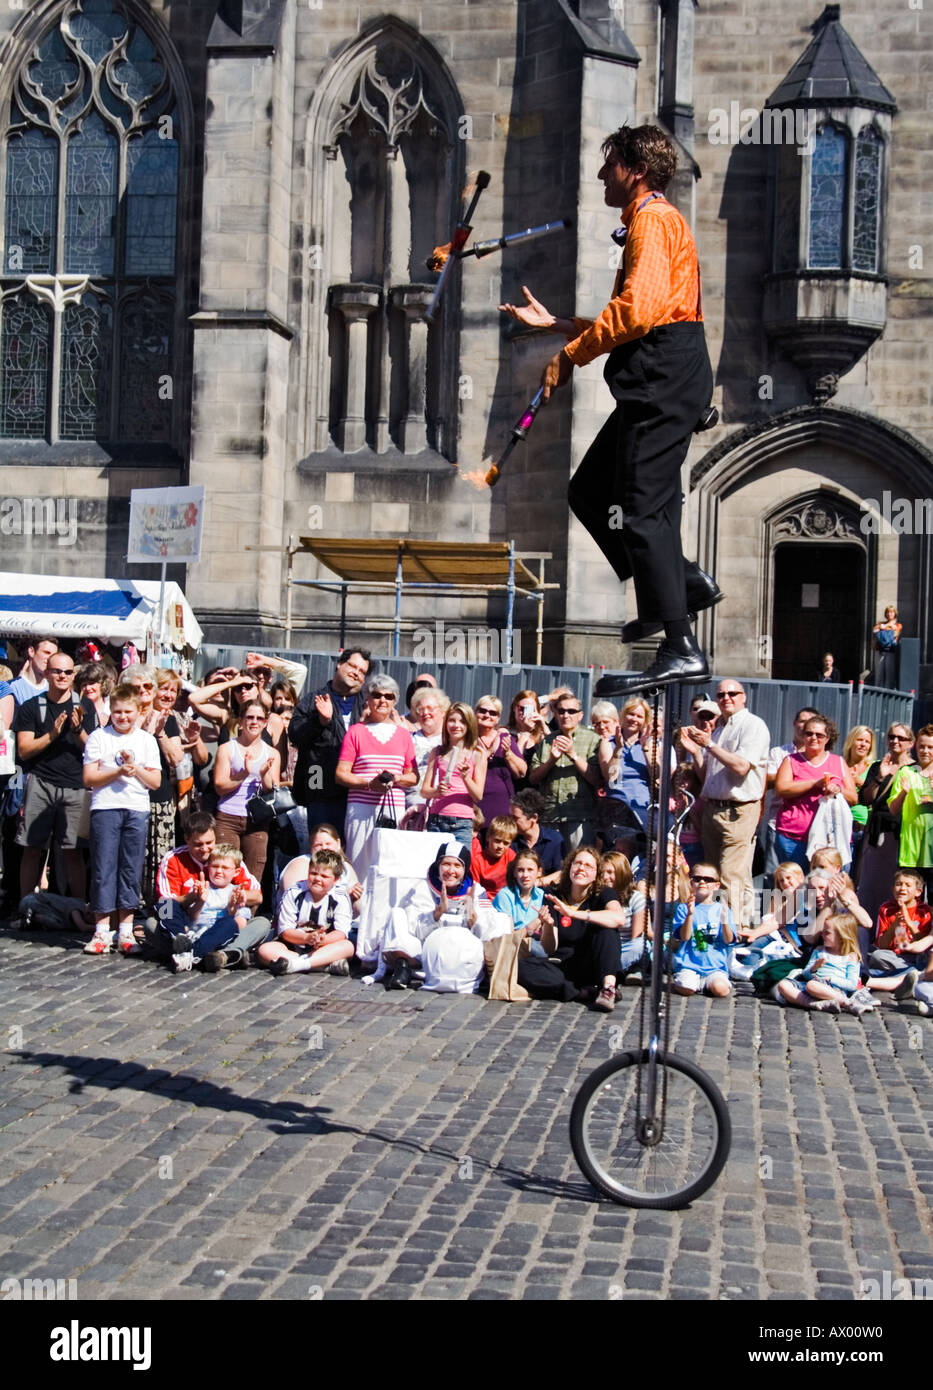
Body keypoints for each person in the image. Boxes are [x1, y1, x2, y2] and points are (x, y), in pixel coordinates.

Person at [501, 125, 719, 694]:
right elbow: (635, 315)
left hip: (664, 376)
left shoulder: (652, 219)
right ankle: (679, 583)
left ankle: (679, 644)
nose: (603, 174)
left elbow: (640, 314)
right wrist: (557, 325)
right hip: (661, 372)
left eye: (610, 164)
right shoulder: (654, 221)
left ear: (635, 169)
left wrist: (568, 356)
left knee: (644, 512)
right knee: (591, 491)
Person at [81, 685, 161, 956]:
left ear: (139, 712)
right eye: (117, 712)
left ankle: (126, 930)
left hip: (136, 809)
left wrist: (134, 768)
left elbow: (155, 781)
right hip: (106, 808)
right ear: (109, 711)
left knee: (130, 868)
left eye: (128, 712)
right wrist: (116, 772)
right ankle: (102, 930)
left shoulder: (147, 740)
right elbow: (89, 778)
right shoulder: (98, 737)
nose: (122, 717)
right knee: (104, 869)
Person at [684, 681, 770, 929]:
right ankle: (734, 927)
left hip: (739, 809)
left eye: (733, 693)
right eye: (721, 694)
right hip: (714, 807)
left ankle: (734, 931)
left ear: (744, 697)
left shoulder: (753, 725)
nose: (726, 698)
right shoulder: (720, 729)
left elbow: (742, 767)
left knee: (731, 873)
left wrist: (709, 744)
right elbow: (708, 777)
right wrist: (696, 752)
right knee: (714, 873)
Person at [13, 652, 94, 902]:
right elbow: (24, 750)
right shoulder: (31, 707)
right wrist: (52, 734)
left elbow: (94, 749)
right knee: (32, 849)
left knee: (73, 852)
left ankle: (78, 908)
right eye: (57, 671)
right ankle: (26, 907)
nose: (62, 676)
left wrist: (78, 729)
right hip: (41, 782)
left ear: (73, 676)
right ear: (47, 673)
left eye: (68, 672)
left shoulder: (85, 705)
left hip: (75, 785)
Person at [375, 841, 507, 992]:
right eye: (446, 864)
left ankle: (495, 975)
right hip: (428, 957)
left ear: (465, 870)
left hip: (464, 959)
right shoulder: (423, 888)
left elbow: (486, 934)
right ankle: (403, 968)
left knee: (501, 919)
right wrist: (436, 914)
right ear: (438, 865)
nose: (451, 871)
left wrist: (472, 916)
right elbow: (414, 930)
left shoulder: (476, 891)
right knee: (397, 914)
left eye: (457, 866)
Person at [516, 845, 625, 1011]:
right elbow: (549, 948)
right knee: (521, 967)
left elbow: (618, 919)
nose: (581, 868)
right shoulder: (554, 895)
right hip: (564, 965)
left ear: (596, 874)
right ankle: (581, 993)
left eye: (588, 866)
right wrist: (549, 925)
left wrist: (574, 914)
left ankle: (608, 989)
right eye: (577, 863)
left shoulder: (604, 893)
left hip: (594, 963)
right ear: (569, 867)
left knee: (607, 929)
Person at [335, 676, 418, 876]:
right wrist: (369, 783)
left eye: (388, 696)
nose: (383, 700)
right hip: (361, 809)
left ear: (394, 701)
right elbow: (340, 774)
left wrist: (395, 779)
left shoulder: (404, 735)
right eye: (377, 695)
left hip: (393, 810)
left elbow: (413, 776)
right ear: (368, 699)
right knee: (358, 864)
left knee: (389, 865)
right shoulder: (355, 732)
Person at [287, 648, 371, 834]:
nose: (356, 672)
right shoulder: (313, 699)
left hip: (358, 793)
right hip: (319, 785)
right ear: (339, 664)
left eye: (362, 671)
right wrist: (320, 721)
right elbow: (295, 735)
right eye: (352, 666)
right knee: (322, 846)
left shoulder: (368, 704)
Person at [153, 844, 271, 974]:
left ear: (236, 872)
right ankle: (180, 940)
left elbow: (240, 926)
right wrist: (199, 900)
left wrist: (232, 909)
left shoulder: (237, 892)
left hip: (218, 938)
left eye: (225, 868)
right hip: (192, 933)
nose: (219, 871)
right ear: (208, 867)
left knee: (255, 923)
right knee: (165, 905)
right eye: (215, 866)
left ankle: (191, 956)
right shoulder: (202, 887)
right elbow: (192, 918)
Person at [774, 717, 857, 871]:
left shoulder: (838, 762)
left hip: (829, 840)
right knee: (794, 888)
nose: (813, 738)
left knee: (829, 888)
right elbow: (781, 789)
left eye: (819, 735)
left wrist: (838, 789)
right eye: (809, 733)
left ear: (827, 738)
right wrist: (813, 784)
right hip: (794, 837)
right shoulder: (791, 761)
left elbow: (853, 798)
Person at [257, 848, 354, 977]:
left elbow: (341, 933)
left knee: (348, 947)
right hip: (294, 945)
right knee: (265, 951)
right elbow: (285, 930)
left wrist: (323, 940)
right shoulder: (294, 892)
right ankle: (322, 965)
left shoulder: (340, 897)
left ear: (336, 880)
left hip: (324, 947)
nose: (317, 879)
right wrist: (306, 938)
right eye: (313, 873)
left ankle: (294, 965)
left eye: (324, 876)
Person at [856, 723, 916, 928]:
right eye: (891, 737)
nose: (895, 741)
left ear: (911, 743)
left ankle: (889, 937)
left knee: (893, 888)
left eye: (901, 738)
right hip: (874, 833)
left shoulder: (915, 769)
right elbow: (865, 799)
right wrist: (881, 776)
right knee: (867, 887)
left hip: (899, 836)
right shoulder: (877, 766)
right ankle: (865, 935)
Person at [213, 701, 281, 884]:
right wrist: (243, 773)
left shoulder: (272, 753)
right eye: (250, 717)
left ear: (265, 723)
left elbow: (271, 789)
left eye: (259, 718)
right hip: (228, 817)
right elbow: (219, 786)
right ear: (241, 721)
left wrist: (263, 773)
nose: (254, 722)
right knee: (224, 870)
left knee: (253, 874)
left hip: (257, 820)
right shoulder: (227, 748)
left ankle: (246, 912)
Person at [528, 693, 602, 849]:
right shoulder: (547, 741)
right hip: (550, 818)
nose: (566, 715)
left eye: (571, 711)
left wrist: (572, 754)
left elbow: (597, 779)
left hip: (579, 818)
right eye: (561, 711)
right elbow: (533, 778)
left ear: (580, 715)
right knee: (551, 867)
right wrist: (551, 761)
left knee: (578, 865)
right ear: (555, 714)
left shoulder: (593, 740)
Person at [420, 703, 486, 846]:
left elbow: (478, 795)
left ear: (469, 725)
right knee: (435, 866)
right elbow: (424, 791)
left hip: (462, 821)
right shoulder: (437, 752)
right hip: (437, 818)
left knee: (459, 865)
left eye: (462, 721)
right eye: (452, 720)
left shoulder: (478, 754)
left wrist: (466, 777)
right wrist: (436, 791)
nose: (456, 725)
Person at [864, 868, 931, 1006]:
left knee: (922, 965)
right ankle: (908, 978)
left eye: (908, 885)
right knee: (877, 956)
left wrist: (909, 923)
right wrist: (894, 926)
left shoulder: (925, 911)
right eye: (899, 884)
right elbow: (882, 945)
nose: (902, 888)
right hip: (896, 958)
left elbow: (924, 944)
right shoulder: (887, 909)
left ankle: (880, 979)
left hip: (919, 958)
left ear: (918, 892)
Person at [779, 912, 866, 1014]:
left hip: (833, 990)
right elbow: (805, 974)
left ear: (842, 936)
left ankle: (848, 1003)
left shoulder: (850, 957)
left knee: (812, 985)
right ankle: (814, 1004)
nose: (822, 935)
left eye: (827, 932)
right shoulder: (819, 950)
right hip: (811, 985)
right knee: (783, 985)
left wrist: (831, 979)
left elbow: (852, 984)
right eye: (822, 931)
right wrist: (813, 969)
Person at [670, 863, 735, 998]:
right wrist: (690, 914)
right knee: (687, 989)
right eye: (697, 878)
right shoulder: (683, 908)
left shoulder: (722, 909)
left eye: (708, 879)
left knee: (721, 990)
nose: (702, 882)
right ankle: (690, 983)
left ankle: (704, 983)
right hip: (689, 965)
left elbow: (729, 940)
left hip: (715, 967)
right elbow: (685, 937)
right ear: (691, 882)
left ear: (716, 885)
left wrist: (724, 920)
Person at [887, 724, 933, 898]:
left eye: (930, 747)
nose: (925, 751)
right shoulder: (907, 771)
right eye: (922, 746)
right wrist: (903, 793)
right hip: (911, 851)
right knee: (909, 898)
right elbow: (893, 809)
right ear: (915, 746)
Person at [473, 695, 527, 822]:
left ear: (498, 718)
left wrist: (508, 754)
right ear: (475, 712)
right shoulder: (468, 739)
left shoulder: (505, 738)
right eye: (482, 711)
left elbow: (522, 772)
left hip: (501, 807)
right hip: (473, 805)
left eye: (493, 713)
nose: (487, 715)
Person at [599, 850, 648, 980]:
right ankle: (616, 971)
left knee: (641, 945)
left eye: (610, 872)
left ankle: (614, 969)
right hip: (602, 949)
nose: (605, 877)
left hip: (625, 948)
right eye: (602, 872)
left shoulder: (635, 898)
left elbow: (636, 936)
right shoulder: (597, 895)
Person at [493, 850, 549, 958]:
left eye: (530, 870)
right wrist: (533, 925)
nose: (525, 875)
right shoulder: (505, 896)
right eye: (520, 870)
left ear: (539, 872)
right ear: (514, 872)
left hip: (535, 944)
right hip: (510, 949)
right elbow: (508, 937)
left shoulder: (542, 896)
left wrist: (523, 932)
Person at [508, 788, 565, 880]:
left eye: (515, 818)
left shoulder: (554, 840)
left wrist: (537, 883)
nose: (511, 821)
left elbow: (561, 873)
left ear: (534, 818)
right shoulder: (510, 841)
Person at [843, 725, 877, 872]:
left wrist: (859, 782)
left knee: (860, 874)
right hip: (843, 827)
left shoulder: (875, 767)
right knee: (843, 872)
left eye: (867, 742)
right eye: (859, 740)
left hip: (865, 828)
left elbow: (878, 793)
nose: (863, 744)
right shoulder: (840, 764)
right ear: (851, 741)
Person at [470, 815, 518, 896]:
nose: (501, 846)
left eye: (506, 843)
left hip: (508, 899)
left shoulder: (511, 856)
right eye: (497, 841)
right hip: (485, 901)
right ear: (488, 837)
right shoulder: (477, 860)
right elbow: (475, 889)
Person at [873, 605, 902, 689]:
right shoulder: (880, 623)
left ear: (895, 614)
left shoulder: (898, 625)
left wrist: (884, 627)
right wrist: (887, 626)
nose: (890, 614)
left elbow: (896, 632)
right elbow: (874, 630)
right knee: (879, 674)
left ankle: (888, 696)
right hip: (879, 650)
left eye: (892, 612)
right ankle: (878, 694)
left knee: (890, 674)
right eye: (888, 612)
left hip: (891, 651)